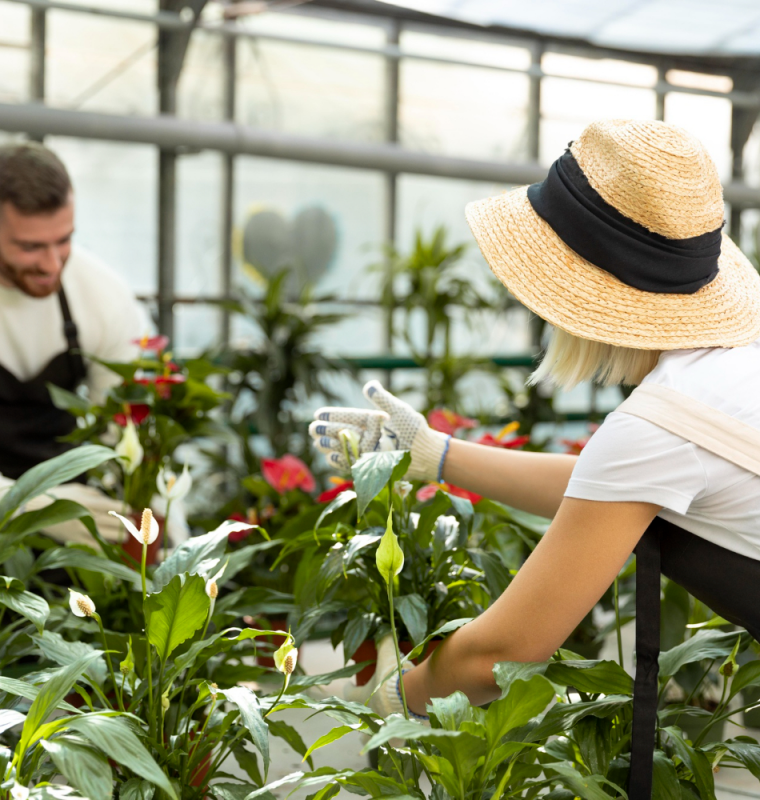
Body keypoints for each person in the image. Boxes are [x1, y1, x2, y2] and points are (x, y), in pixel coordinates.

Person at [309, 119, 760, 796]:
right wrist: (438, 455)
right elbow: (616, 491)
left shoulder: (661, 426)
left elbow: (504, 653)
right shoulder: (728, 371)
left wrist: (386, 700)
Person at [0, 142, 149, 539]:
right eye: (30, 246)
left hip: (70, 519)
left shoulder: (103, 297)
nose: (51, 265)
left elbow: (128, 437)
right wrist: (31, 506)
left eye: (63, 240)